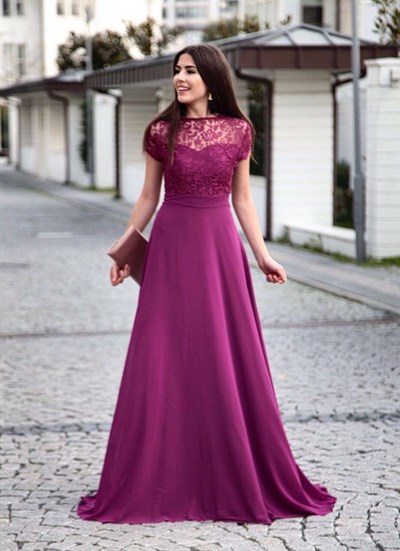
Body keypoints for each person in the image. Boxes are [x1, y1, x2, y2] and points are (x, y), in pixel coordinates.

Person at [78, 43, 336, 525]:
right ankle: (160, 476)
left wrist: (262, 255)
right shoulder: (160, 131)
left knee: (223, 351)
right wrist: (125, 251)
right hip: (172, 249)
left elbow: (243, 200)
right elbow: (148, 197)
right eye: (177, 70)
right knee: (162, 354)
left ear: (212, 80)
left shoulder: (239, 130)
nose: (180, 78)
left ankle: (227, 470)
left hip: (219, 249)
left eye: (191, 71)